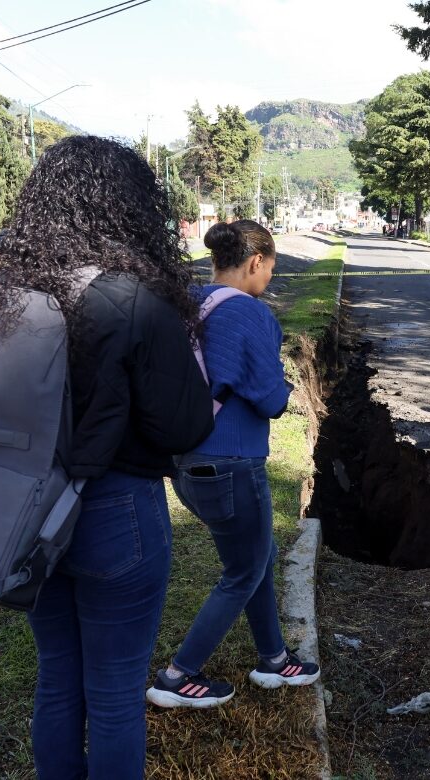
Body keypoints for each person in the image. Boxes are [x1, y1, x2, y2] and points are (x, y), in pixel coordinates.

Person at [0, 136, 215, 779]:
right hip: (116, 511)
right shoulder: (133, 299)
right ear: (130, 209)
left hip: (28, 508)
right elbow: (183, 425)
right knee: (115, 697)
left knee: (58, 679)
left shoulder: (9, 294)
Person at [146, 219, 320, 709]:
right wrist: (282, 387)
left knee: (255, 557)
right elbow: (270, 400)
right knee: (243, 571)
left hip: (188, 462)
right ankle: (177, 676)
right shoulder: (248, 313)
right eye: (270, 271)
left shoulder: (189, 303)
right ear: (255, 262)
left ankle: (274, 659)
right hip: (232, 465)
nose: (268, 282)